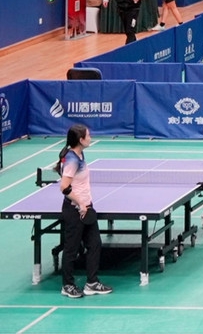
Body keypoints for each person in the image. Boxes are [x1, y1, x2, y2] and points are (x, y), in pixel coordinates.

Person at [56, 123, 111, 298]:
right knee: (71, 249)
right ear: (81, 140)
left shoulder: (79, 154)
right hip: (75, 210)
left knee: (94, 244)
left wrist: (85, 204)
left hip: (86, 207)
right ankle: (67, 285)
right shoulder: (72, 160)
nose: (90, 138)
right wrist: (80, 203)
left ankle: (92, 283)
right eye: (88, 135)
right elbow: (64, 187)